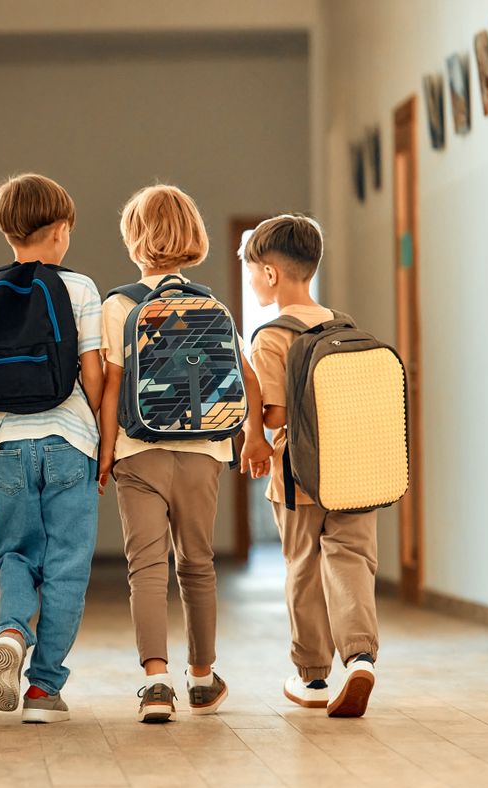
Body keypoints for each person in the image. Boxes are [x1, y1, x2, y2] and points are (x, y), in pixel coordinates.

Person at [98, 185, 272, 723]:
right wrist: (254, 437)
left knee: (145, 566)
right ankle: (201, 679)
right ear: (193, 238)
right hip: (204, 451)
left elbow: (110, 387)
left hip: (137, 448)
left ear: (134, 238)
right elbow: (247, 380)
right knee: (197, 564)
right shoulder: (211, 305)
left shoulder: (119, 304)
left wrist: (105, 455)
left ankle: (155, 683)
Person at [0, 173, 103, 724]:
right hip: (69, 443)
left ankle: (12, 631)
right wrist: (100, 440)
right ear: (61, 231)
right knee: (65, 566)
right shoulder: (80, 288)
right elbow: (93, 374)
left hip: (7, 447)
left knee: (16, 555)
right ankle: (43, 691)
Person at [243, 213, 380, 717]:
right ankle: (361, 657)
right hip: (358, 470)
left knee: (304, 567)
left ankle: (313, 677)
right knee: (353, 562)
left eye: (253, 271)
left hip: (299, 475)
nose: (254, 280)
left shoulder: (271, 336)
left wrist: (253, 416)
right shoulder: (343, 325)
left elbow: (277, 412)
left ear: (271, 274)